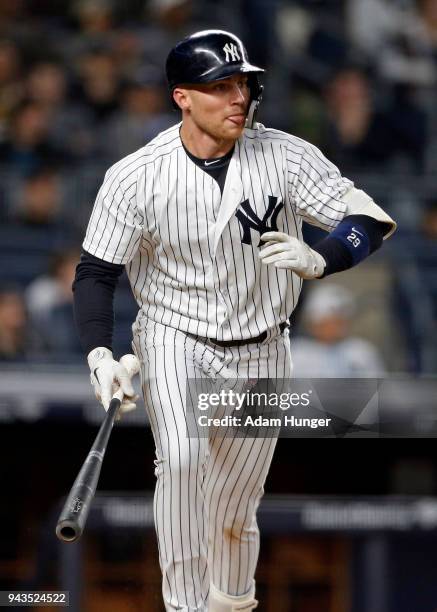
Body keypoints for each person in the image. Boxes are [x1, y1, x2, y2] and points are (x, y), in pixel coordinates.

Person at [72, 29, 396, 611]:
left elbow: (367, 218)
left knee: (235, 511)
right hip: (175, 336)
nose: (238, 98)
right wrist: (100, 355)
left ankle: (233, 603)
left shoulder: (285, 154)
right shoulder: (134, 175)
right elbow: (95, 275)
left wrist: (325, 258)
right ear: (183, 97)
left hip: (264, 348)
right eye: (220, 87)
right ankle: (185, 606)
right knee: (182, 459)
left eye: (243, 84)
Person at [292, 283, 386, 377]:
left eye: (341, 320)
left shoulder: (362, 353)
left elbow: (379, 388)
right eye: (330, 320)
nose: (336, 326)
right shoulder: (296, 353)